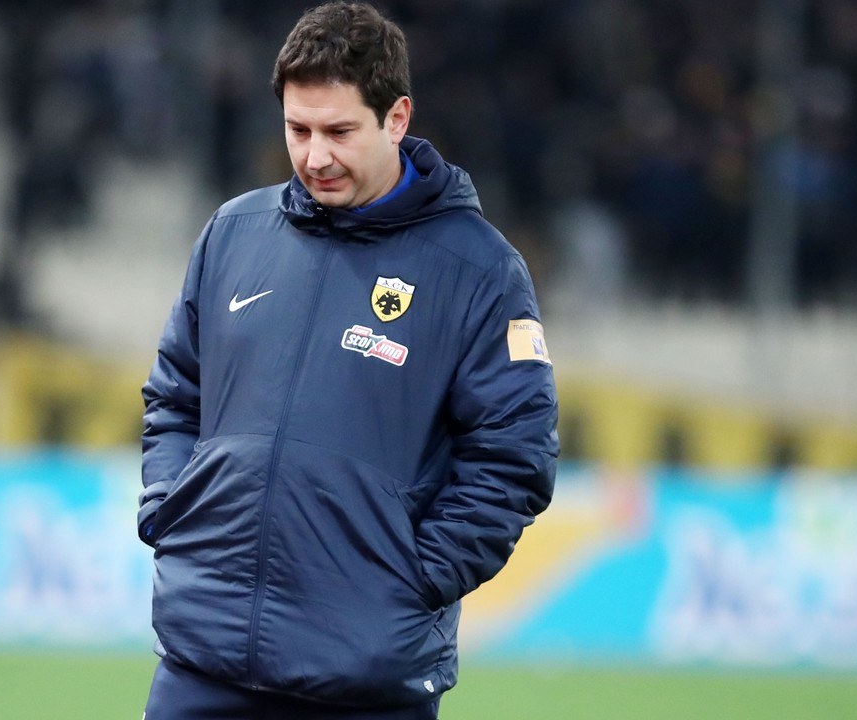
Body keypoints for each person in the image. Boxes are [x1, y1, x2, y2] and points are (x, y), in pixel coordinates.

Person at [137, 3, 558, 718]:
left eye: (339, 132)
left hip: (363, 679)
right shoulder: (233, 233)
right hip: (202, 663)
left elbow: (514, 459)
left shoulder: (479, 271)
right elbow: (175, 398)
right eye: (298, 130)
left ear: (397, 118)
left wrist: (412, 581)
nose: (315, 157)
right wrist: (172, 513)